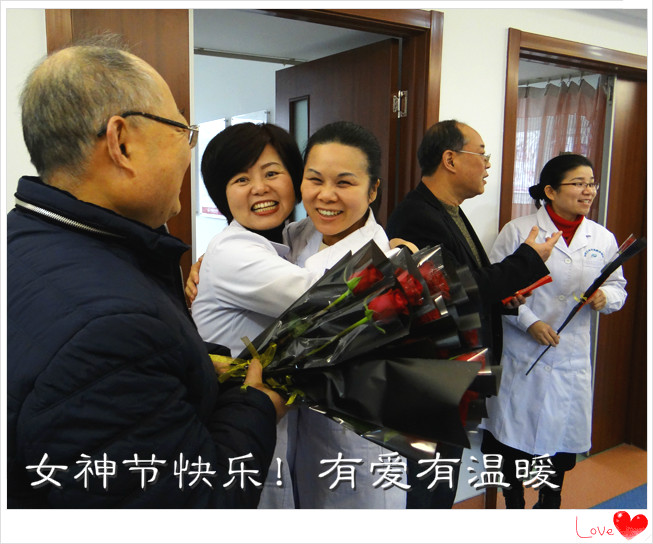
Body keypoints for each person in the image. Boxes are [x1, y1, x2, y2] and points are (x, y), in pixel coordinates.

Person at [7, 37, 287, 508]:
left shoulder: (28, 236)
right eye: (183, 131)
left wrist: (193, 364)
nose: (187, 152)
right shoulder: (113, 330)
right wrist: (257, 405)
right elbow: (195, 506)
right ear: (121, 143)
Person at [188, 121, 409, 508]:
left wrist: (400, 262)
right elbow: (295, 286)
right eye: (315, 179)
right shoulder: (297, 235)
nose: (326, 195)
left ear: (373, 189)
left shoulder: (382, 260)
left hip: (353, 441)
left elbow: (335, 301)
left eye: (344, 182)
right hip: (265, 429)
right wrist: (210, 261)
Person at [386, 119, 561, 509]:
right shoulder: (417, 216)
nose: (487, 164)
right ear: (450, 159)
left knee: (441, 482)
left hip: (454, 375)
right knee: (428, 489)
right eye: (481, 154)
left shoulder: (448, 210)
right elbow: (455, 291)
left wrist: (504, 298)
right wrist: (528, 259)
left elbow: (462, 283)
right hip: (433, 377)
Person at [479, 153, 627, 509]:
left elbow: (618, 286)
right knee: (511, 440)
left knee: (558, 442)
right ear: (550, 190)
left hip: (568, 358)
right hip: (522, 351)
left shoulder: (602, 237)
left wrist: (604, 297)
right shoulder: (519, 230)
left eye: (591, 184)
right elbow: (496, 288)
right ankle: (513, 497)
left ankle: (550, 499)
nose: (588, 191)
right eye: (578, 183)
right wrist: (530, 322)